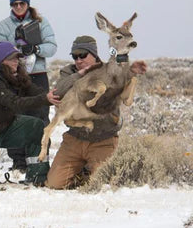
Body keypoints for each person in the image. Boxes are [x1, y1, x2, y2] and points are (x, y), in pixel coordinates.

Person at [46, 36, 147, 189]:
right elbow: (58, 92)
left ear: (94, 54)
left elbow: (125, 98)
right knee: (54, 184)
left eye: (83, 55)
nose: (78, 60)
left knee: (102, 185)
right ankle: (81, 171)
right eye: (75, 56)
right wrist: (81, 74)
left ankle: (88, 171)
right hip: (74, 139)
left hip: (102, 140)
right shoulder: (69, 72)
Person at [0, 42, 60, 188]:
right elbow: (15, 103)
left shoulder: (17, 76)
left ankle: (38, 176)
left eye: (18, 58)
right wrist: (45, 99)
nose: (16, 61)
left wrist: (57, 96)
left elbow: (38, 92)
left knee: (37, 127)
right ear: (2, 61)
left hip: (5, 127)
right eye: (12, 58)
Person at [0, 0, 57, 172]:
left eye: (22, 3)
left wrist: (35, 49)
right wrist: (16, 50)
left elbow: (52, 46)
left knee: (40, 118)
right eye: (15, 3)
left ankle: (40, 158)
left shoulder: (41, 23)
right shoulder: (3, 26)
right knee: (15, 117)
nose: (18, 6)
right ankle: (19, 161)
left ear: (27, 4)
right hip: (14, 76)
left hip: (37, 76)